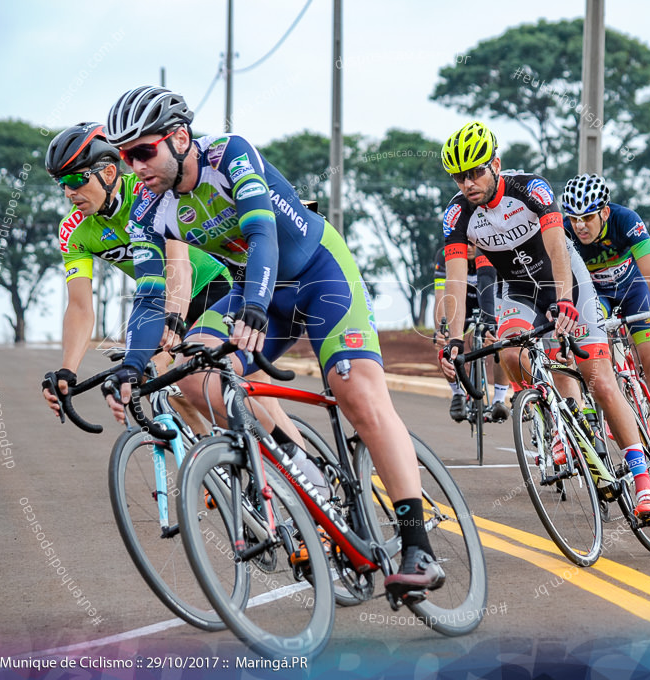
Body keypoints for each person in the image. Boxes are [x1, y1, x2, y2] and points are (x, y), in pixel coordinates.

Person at [100, 86, 444, 598]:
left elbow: (264, 236)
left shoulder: (228, 154)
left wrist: (256, 306)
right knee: (195, 375)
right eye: (124, 157)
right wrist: (130, 365)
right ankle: (298, 467)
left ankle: (419, 547)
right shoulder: (150, 209)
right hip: (256, 290)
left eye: (141, 152)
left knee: (356, 393)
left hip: (319, 274)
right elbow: (150, 297)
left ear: (177, 138)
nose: (133, 167)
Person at [437, 120, 650, 520]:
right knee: (510, 355)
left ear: (496, 164)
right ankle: (554, 416)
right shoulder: (457, 215)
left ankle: (644, 482)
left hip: (565, 279)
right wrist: (453, 340)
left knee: (599, 378)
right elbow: (455, 280)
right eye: (459, 177)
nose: (468, 183)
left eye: (475, 172)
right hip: (518, 290)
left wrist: (564, 300)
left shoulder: (531, 189)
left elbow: (559, 248)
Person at [41, 122, 231, 432]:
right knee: (161, 384)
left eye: (76, 179)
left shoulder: (150, 194)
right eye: (61, 183)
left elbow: (177, 264)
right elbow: (79, 307)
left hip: (210, 288)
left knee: (211, 379)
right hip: (157, 297)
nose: (68, 192)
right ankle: (212, 467)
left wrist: (170, 341)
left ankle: (294, 462)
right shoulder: (73, 230)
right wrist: (67, 372)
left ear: (108, 173)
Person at [561, 174, 650, 495]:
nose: (580, 226)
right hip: (596, 297)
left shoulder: (626, 220)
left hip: (633, 290)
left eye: (588, 218)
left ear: (604, 213)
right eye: (574, 218)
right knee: (588, 355)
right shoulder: (565, 231)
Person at [432, 243, 510, 422]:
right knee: (444, 343)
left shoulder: (490, 249)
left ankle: (499, 399)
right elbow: (440, 296)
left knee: (501, 342)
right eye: (464, 243)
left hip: (490, 300)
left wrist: (495, 325)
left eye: (472, 244)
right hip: (462, 304)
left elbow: (501, 292)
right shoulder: (444, 255)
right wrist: (440, 330)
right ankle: (457, 394)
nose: (468, 247)